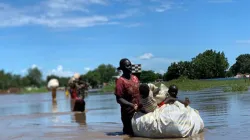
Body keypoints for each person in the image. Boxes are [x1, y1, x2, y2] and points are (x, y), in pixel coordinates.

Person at [114, 58, 141, 136]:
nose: (130, 67)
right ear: (122, 68)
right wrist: (132, 105)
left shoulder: (135, 78)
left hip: (138, 111)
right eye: (127, 66)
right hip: (128, 114)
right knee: (129, 135)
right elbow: (119, 99)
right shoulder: (120, 81)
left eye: (130, 65)